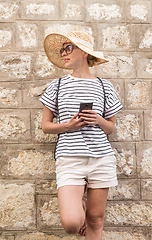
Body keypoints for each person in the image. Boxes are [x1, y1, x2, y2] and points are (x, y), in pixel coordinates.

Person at [40, 31, 122, 239]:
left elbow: (110, 128)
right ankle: (81, 204)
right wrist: (68, 125)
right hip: (70, 157)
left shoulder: (104, 86)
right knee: (71, 223)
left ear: (84, 52)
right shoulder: (56, 86)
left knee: (96, 219)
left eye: (69, 48)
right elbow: (46, 126)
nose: (64, 53)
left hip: (101, 157)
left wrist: (98, 120)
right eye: (62, 50)